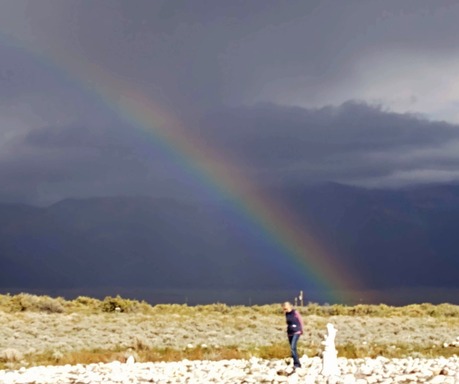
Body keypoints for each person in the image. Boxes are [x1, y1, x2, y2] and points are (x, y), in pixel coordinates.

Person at [282, 301, 304, 370]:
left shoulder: (295, 312)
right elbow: (288, 323)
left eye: (286, 307)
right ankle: (296, 362)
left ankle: (297, 364)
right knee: (293, 349)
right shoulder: (286, 314)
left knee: (292, 347)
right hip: (290, 332)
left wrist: (301, 330)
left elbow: (300, 321)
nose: (285, 309)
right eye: (284, 308)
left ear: (289, 306)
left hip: (296, 331)